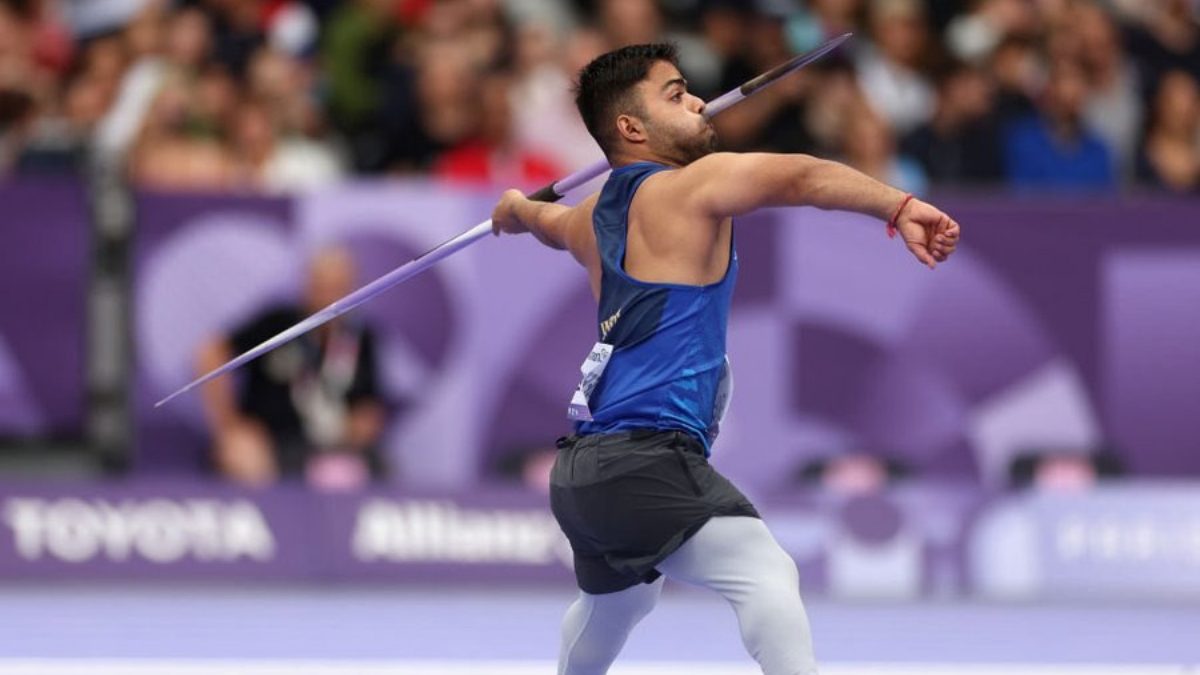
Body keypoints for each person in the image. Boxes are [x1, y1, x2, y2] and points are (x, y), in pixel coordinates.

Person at [490, 43, 960, 675]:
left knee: (617, 607)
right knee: (766, 571)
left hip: (584, 474)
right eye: (676, 94)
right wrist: (899, 204)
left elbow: (544, 220)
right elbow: (802, 177)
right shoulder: (691, 187)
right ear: (631, 128)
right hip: (645, 461)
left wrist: (515, 209)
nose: (697, 102)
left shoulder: (588, 221)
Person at [196, 246, 387, 488]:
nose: (329, 297)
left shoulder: (362, 338)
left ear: (352, 288)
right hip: (270, 444)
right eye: (321, 286)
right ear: (307, 285)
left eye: (337, 288)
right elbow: (209, 352)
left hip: (331, 449)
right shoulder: (278, 324)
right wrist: (230, 426)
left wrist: (356, 429)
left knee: (349, 476)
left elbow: (370, 411)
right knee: (242, 456)